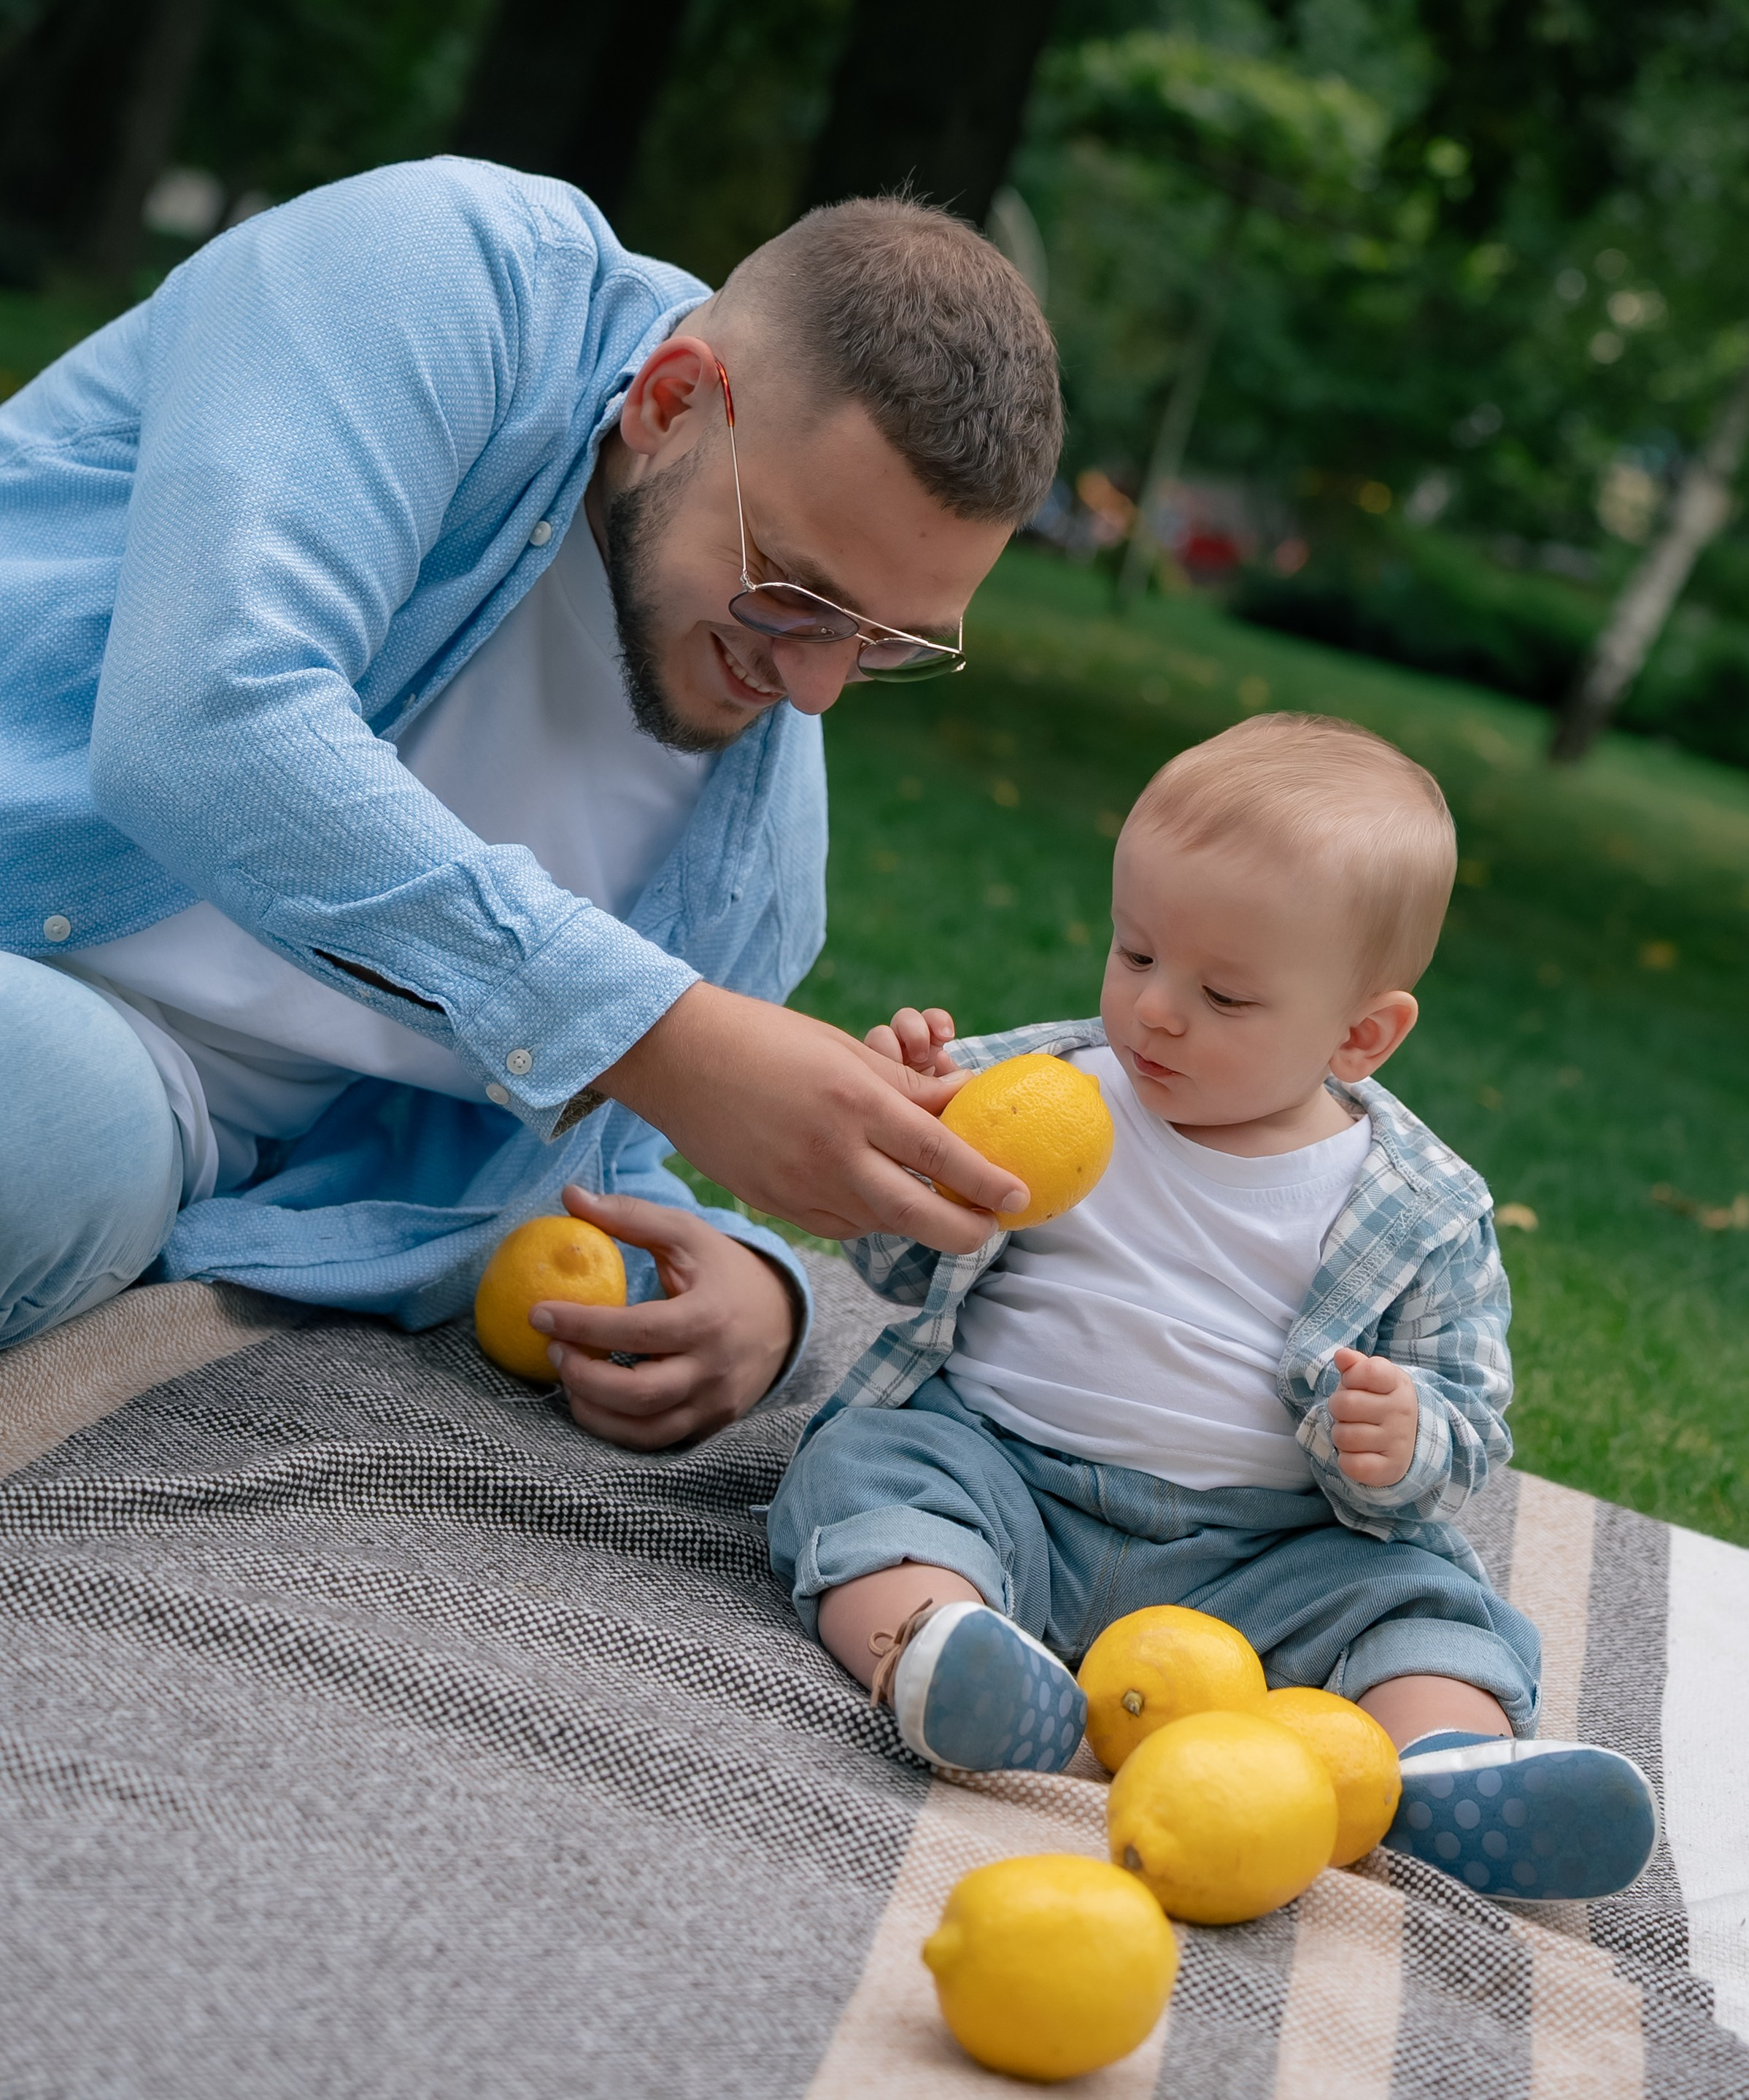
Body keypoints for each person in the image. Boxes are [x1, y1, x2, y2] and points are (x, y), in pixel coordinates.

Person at [0, 165, 1059, 1442]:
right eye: (795, 591)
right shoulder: (443, 273)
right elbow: (201, 718)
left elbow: (596, 1147)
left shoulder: (753, 857)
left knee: (52, 1132)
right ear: (670, 401)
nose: (817, 688)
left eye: (889, 642)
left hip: (150, 1122)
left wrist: (754, 1292)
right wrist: (660, 1038)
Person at [767, 714, 1659, 1902]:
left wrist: (1403, 1442)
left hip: (1264, 1551)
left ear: (1360, 1034)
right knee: (868, 1472)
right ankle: (945, 1653)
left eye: (1223, 995)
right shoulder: (1033, 1091)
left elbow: (1462, 1433)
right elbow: (888, 1260)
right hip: (999, 1467)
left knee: (1420, 1603)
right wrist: (909, 1144)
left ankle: (1433, 1768)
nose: (1154, 1011)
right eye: (1135, 953)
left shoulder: (1419, 1209)